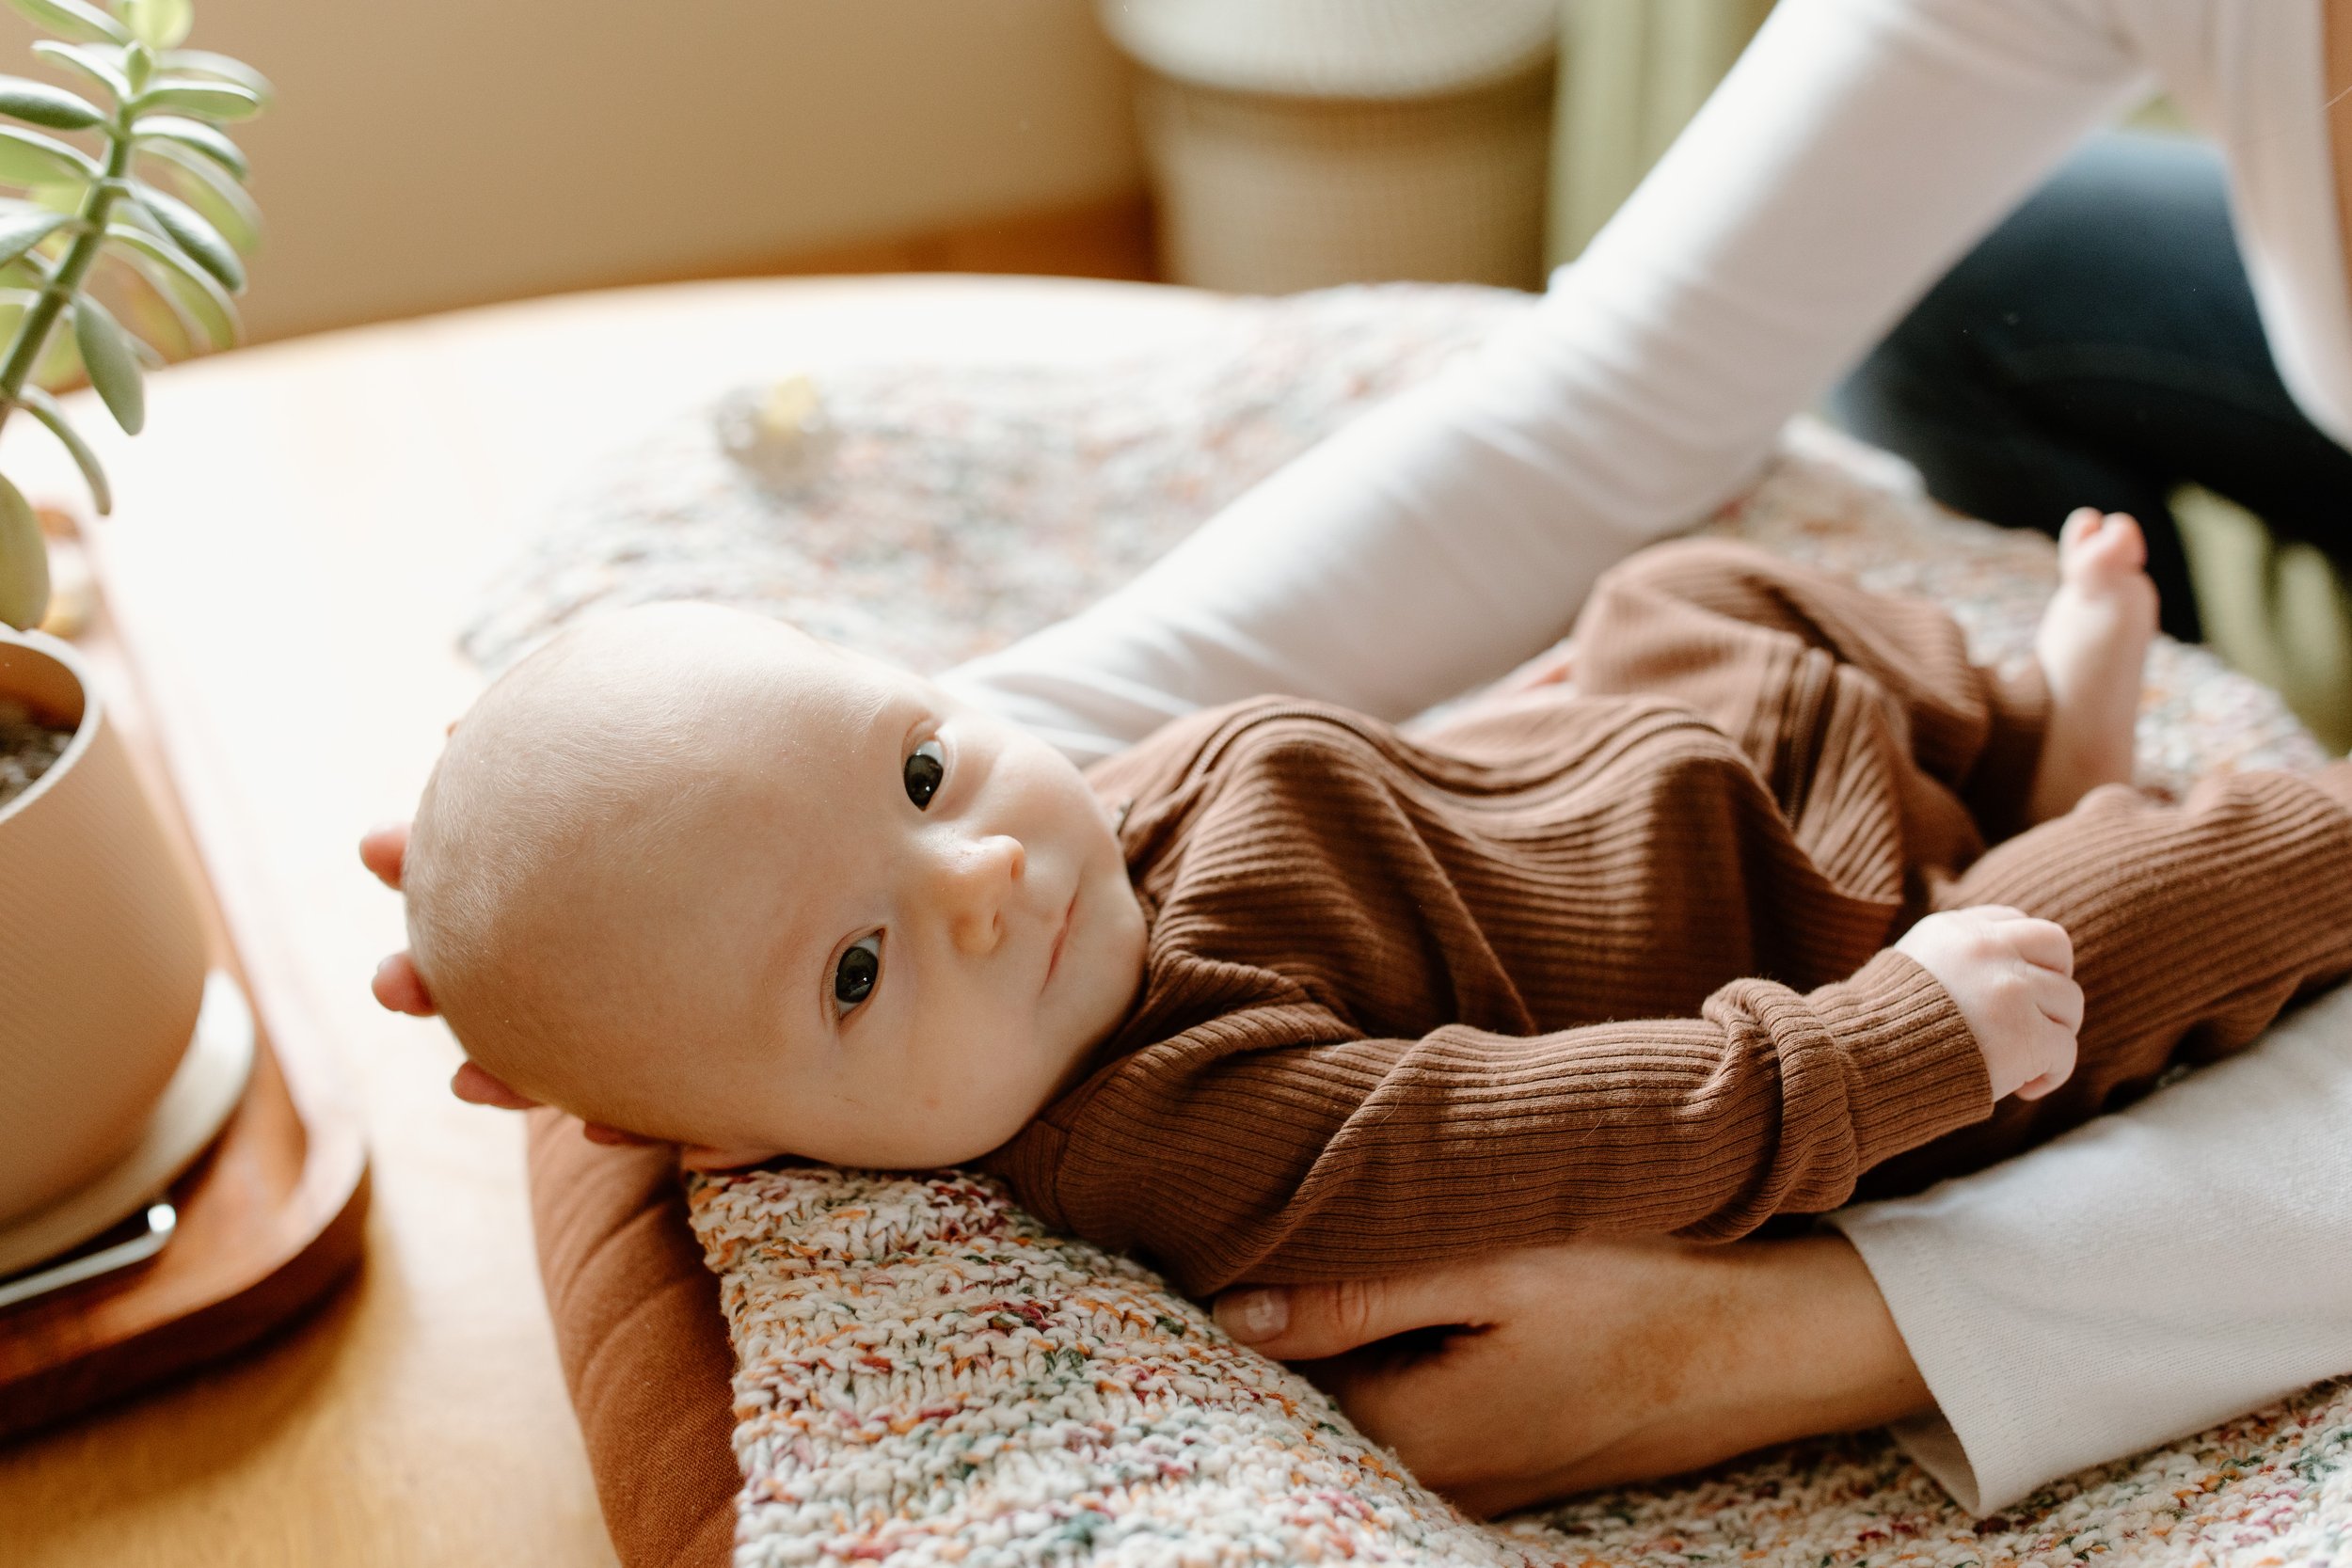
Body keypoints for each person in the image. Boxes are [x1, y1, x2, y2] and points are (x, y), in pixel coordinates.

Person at [367, 0, 2352, 1519]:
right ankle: (2069, 807)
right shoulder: (1179, 1120)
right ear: (734, 1142)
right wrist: (688, 815)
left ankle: (2030, 752)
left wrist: (1819, 1338)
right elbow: (1583, 1126)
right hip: (1834, 947)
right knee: (2109, 907)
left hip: (1704, 800)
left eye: (922, 781)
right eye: (858, 972)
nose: (981, 869)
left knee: (1733, 615)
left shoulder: (1056, 906)